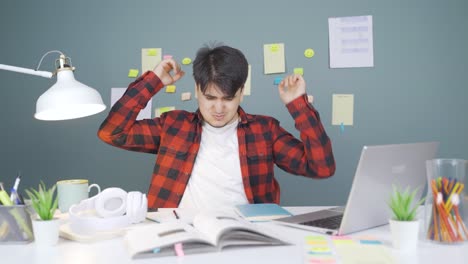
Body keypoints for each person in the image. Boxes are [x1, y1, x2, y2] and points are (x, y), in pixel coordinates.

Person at [98, 44, 335, 210]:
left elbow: (321, 168)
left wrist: (298, 106)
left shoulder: (265, 130)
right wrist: (154, 81)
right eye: (210, 98)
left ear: (241, 92)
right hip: (179, 234)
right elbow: (112, 133)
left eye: (228, 99)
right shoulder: (173, 125)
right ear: (197, 90)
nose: (218, 108)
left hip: (246, 235)